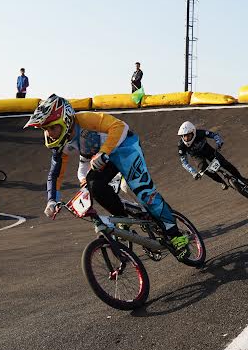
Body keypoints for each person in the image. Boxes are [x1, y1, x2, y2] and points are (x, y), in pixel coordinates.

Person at [24, 94, 190, 255]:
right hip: (104, 158)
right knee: (92, 184)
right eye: (45, 129)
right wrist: (52, 199)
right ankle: (122, 217)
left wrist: (103, 152)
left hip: (125, 148)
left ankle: (176, 235)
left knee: (144, 192)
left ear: (66, 120)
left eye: (52, 127)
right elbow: (55, 174)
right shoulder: (60, 144)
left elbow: (120, 127)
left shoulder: (85, 120)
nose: (49, 133)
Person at [177, 121, 248, 190]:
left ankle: (241, 178)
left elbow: (214, 135)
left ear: (193, 132)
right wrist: (193, 172)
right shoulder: (181, 145)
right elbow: (184, 162)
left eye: (188, 135)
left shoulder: (200, 133)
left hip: (207, 150)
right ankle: (221, 182)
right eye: (184, 136)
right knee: (204, 169)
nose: (186, 138)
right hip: (197, 156)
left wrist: (219, 142)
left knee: (224, 163)